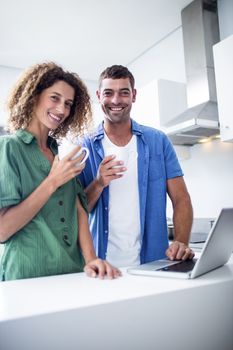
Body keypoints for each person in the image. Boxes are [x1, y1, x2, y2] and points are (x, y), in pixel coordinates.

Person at [0, 62, 121, 281]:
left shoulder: (59, 154)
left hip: (70, 272)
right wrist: (51, 182)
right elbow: (2, 230)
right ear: (34, 96)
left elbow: (79, 210)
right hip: (27, 275)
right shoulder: (9, 148)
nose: (62, 110)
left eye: (68, 104)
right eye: (54, 98)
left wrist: (92, 259)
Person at [79, 64, 195, 268]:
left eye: (123, 93)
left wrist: (181, 241)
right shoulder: (86, 145)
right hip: (102, 264)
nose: (116, 100)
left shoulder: (158, 141)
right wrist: (98, 183)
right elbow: (78, 210)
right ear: (99, 96)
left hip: (153, 262)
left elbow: (181, 198)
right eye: (108, 93)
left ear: (133, 95)